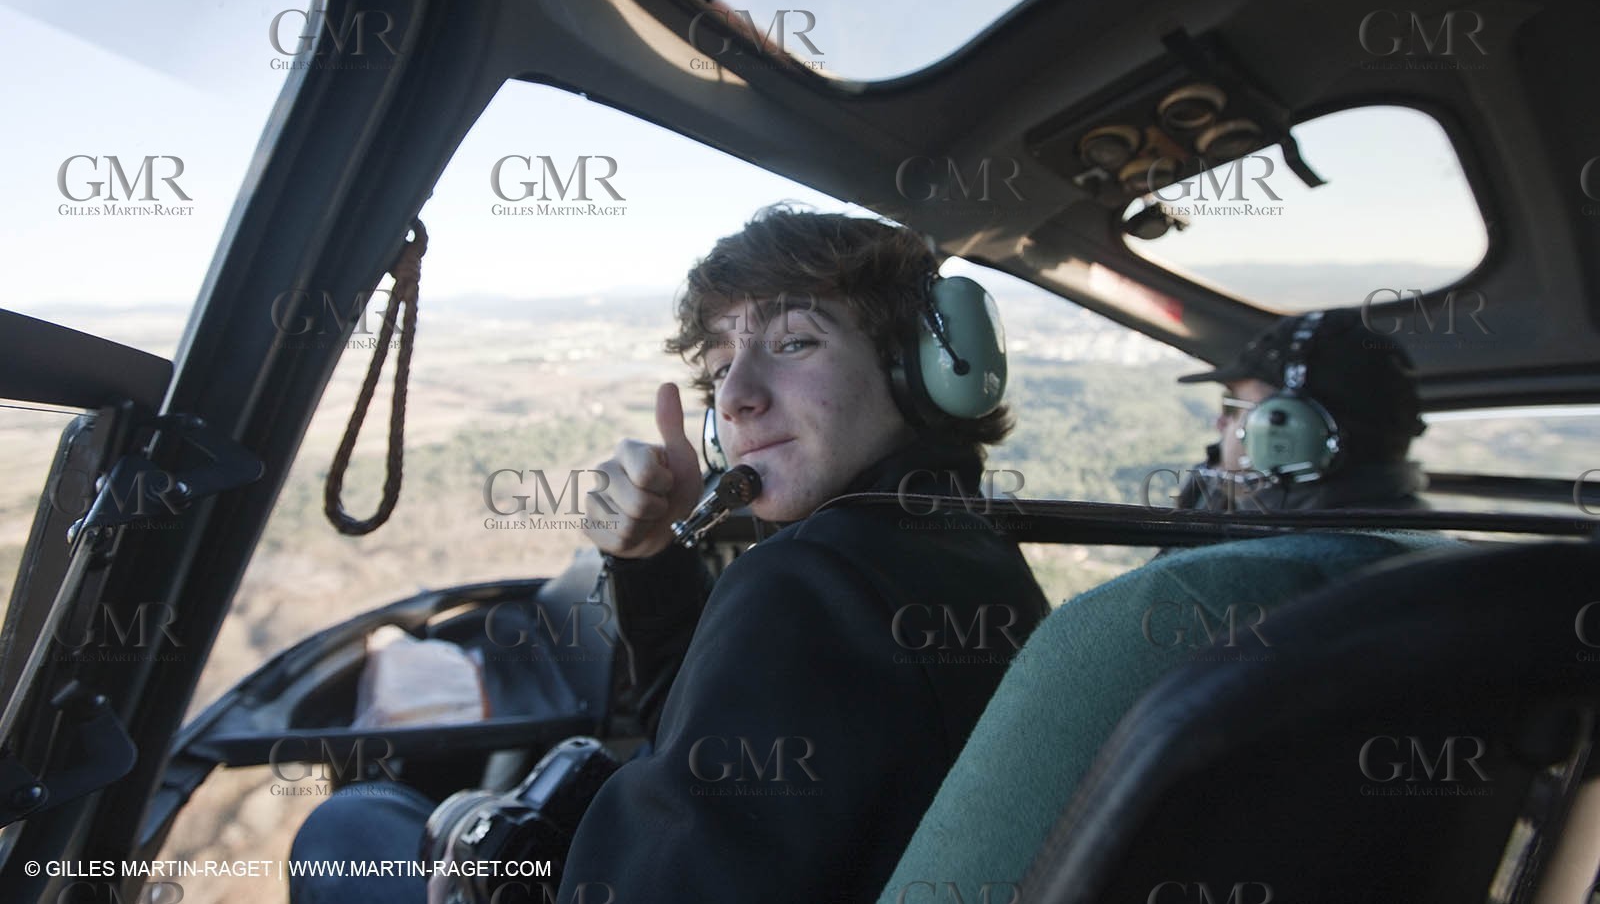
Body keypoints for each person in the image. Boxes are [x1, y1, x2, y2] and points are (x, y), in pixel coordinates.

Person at [288, 206, 1050, 904]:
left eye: (794, 341)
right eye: (720, 368)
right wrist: (653, 554)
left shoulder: (810, 579)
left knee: (346, 830)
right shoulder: (979, 555)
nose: (736, 396)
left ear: (916, 367)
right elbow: (707, 745)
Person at [1172, 307, 1428, 512]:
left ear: (1288, 433)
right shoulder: (1422, 546)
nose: (1220, 423)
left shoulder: (1228, 569)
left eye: (1232, 407)